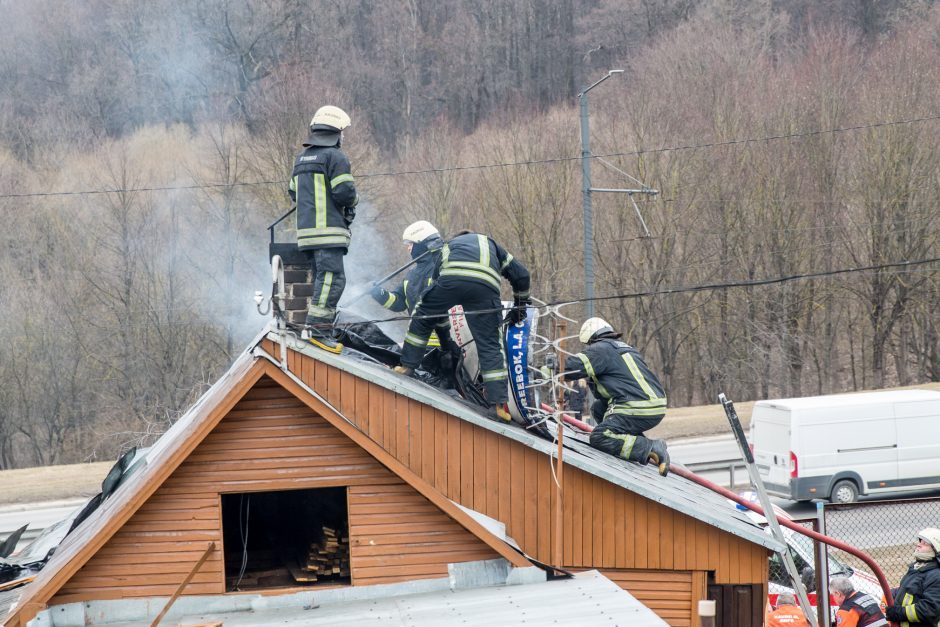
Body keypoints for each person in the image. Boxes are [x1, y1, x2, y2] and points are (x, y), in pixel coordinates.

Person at [394, 230, 530, 422]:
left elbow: (435, 309)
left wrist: (446, 340)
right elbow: (522, 275)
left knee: (422, 316)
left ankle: (407, 367)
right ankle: (498, 405)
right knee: (490, 344)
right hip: (485, 289)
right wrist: (520, 306)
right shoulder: (492, 245)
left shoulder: (448, 246)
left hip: (451, 279)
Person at [288, 105, 359, 351]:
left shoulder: (300, 159)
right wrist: (354, 201)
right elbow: (345, 192)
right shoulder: (336, 157)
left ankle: (318, 327)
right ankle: (317, 329)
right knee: (333, 279)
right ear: (336, 132)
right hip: (329, 233)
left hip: (306, 235)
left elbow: (292, 192)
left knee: (322, 279)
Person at [563, 317, 670, 475]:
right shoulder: (625, 348)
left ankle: (650, 447)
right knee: (599, 409)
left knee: (600, 437)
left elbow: (570, 367)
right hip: (654, 405)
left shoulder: (600, 349)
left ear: (591, 339)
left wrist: (548, 367)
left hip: (637, 406)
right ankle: (637, 443)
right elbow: (603, 395)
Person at [884, 528, 940, 626]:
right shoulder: (917, 568)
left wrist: (898, 613)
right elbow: (911, 591)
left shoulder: (936, 576)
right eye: (920, 541)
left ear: (935, 549)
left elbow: (929, 609)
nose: (918, 544)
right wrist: (894, 594)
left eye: (925, 544)